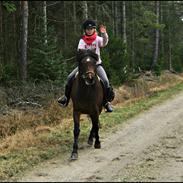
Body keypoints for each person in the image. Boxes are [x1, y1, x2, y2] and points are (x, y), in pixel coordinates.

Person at [58, 19, 114, 112]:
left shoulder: (97, 39)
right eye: (88, 29)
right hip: (84, 67)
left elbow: (104, 42)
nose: (89, 30)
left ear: (94, 29)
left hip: (96, 66)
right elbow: (80, 52)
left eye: (91, 28)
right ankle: (65, 99)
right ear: (85, 30)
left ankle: (106, 102)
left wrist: (104, 34)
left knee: (105, 81)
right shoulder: (82, 41)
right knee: (69, 78)